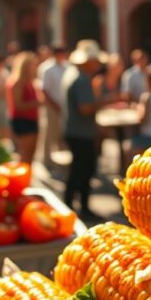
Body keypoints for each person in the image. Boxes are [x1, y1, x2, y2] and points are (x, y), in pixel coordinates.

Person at [62, 40, 110, 216]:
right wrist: (104, 101)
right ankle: (81, 206)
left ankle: (71, 203)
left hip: (76, 130)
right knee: (83, 170)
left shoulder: (75, 75)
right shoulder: (81, 80)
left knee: (78, 170)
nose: (97, 65)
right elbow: (85, 108)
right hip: (80, 132)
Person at [7, 52, 42, 162]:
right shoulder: (17, 82)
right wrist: (37, 103)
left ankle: (27, 175)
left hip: (32, 119)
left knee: (32, 152)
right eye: (32, 65)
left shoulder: (31, 81)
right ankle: (22, 176)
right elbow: (18, 105)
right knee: (25, 152)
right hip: (22, 120)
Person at [37, 45, 69, 163]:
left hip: (64, 105)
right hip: (51, 105)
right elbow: (44, 89)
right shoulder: (46, 68)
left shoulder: (67, 66)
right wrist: (54, 104)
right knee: (49, 131)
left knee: (62, 131)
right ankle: (46, 158)